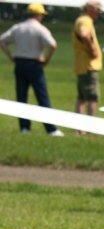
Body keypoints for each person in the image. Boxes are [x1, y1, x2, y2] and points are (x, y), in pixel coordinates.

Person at [0, 3, 61, 136]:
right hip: (35, 64)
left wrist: (11, 56)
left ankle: (24, 128)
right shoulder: (40, 29)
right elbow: (53, 45)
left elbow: (2, 41)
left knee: (21, 97)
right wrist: (46, 59)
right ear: (39, 15)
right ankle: (51, 129)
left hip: (20, 64)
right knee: (42, 97)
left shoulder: (17, 28)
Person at [73, 1, 102, 119]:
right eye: (98, 9)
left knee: (81, 98)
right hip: (88, 66)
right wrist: (92, 50)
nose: (99, 12)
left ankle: (79, 129)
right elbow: (84, 35)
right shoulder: (85, 21)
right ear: (90, 9)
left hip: (83, 66)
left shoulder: (83, 20)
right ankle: (89, 128)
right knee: (92, 98)